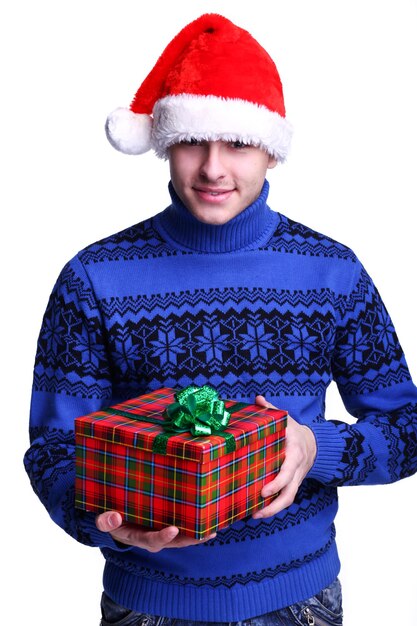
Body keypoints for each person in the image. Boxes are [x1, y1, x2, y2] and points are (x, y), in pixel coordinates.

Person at [24, 13, 417, 626]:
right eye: (192, 141)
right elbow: (52, 449)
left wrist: (318, 447)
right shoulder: (93, 278)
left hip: (299, 601)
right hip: (147, 604)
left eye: (237, 142)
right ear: (163, 142)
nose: (212, 168)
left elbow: (407, 427)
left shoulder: (332, 272)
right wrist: (107, 519)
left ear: (272, 150)